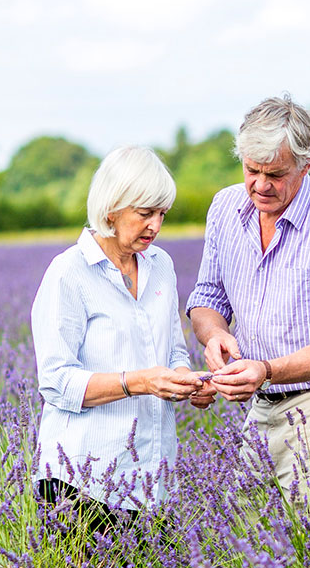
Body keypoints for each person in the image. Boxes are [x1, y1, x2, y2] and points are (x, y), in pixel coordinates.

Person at [186, 94, 310, 495]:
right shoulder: (225, 208)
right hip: (262, 405)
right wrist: (215, 335)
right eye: (251, 169)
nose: (259, 185)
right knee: (245, 533)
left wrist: (266, 370)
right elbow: (207, 297)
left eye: (275, 174)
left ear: (306, 165)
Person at [31, 145, 215, 525]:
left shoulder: (160, 266)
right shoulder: (69, 273)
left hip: (150, 478)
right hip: (81, 482)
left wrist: (189, 381)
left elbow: (173, 351)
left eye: (163, 213)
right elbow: (56, 382)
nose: (156, 226)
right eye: (145, 213)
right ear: (111, 210)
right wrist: (141, 382)